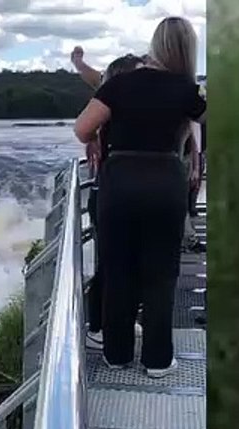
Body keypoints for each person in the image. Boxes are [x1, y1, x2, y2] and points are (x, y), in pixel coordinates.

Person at [72, 16, 205, 377]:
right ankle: (158, 360)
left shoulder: (121, 85)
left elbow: (82, 128)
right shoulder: (187, 91)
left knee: (117, 269)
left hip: (120, 181)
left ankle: (116, 354)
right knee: (161, 273)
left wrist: (97, 139)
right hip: (165, 183)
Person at [83, 54, 146, 349]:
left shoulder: (124, 108)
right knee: (109, 266)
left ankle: (121, 320)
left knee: (130, 265)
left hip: (125, 195)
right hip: (107, 195)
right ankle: (97, 326)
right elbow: (84, 129)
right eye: (139, 75)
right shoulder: (110, 110)